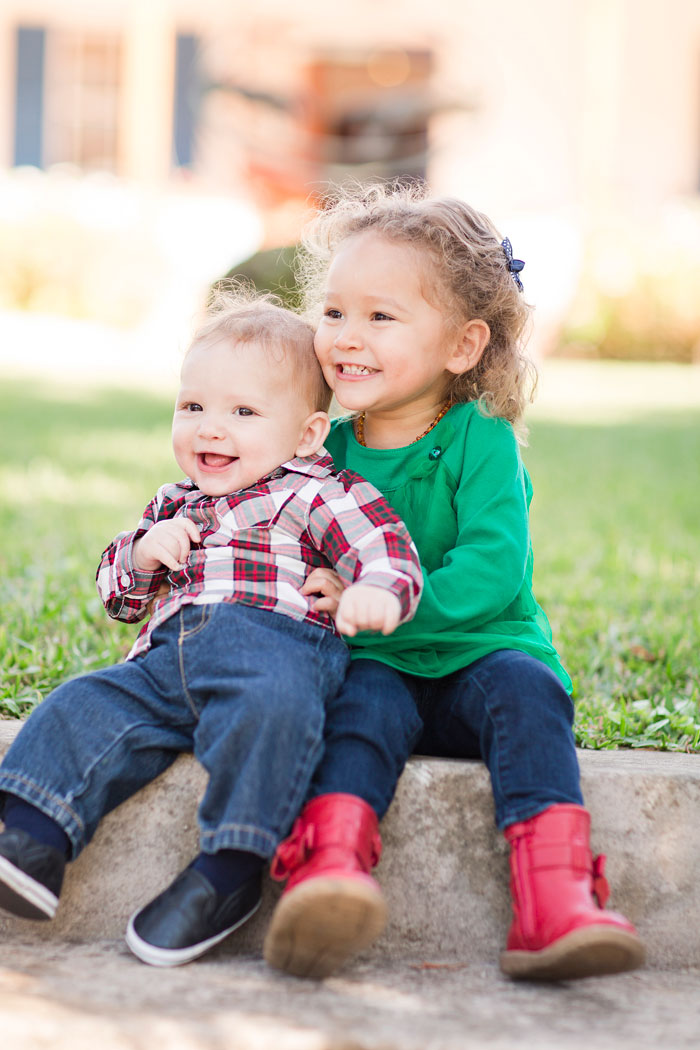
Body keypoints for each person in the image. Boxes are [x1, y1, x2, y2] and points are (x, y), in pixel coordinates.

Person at [262, 182, 646, 982]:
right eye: (333, 313)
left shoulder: (482, 441)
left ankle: (555, 901)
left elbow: (492, 569)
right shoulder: (318, 447)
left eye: (380, 316)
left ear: (463, 346)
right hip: (378, 663)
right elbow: (280, 549)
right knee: (354, 711)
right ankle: (328, 869)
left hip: (480, 652)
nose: (345, 337)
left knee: (530, 695)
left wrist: (388, 602)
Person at [0, 292, 422, 968]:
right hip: (166, 661)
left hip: (272, 649)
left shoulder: (314, 491)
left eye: (243, 412)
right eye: (192, 407)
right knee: (85, 702)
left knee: (275, 713)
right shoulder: (174, 500)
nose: (210, 430)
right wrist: (140, 552)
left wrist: (376, 590)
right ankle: (32, 833)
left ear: (309, 434)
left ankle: (229, 867)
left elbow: (385, 547)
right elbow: (119, 596)